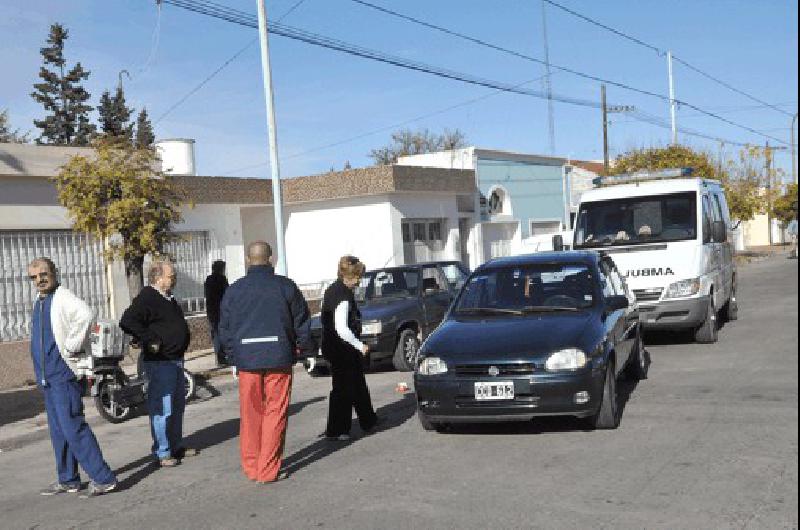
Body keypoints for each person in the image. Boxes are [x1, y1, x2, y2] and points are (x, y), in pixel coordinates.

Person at [218, 241, 312, 483]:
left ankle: (252, 467)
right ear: (271, 258)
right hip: (278, 356)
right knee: (275, 412)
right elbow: (301, 321)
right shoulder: (285, 286)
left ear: (249, 259)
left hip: (246, 359)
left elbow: (225, 328)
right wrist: (305, 350)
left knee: (250, 414)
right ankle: (268, 469)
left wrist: (230, 356)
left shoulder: (234, 290)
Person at [27, 257, 117, 498]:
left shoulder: (63, 297)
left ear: (54, 272)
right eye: (34, 277)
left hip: (63, 374)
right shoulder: (41, 300)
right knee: (58, 430)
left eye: (43, 274)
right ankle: (68, 479)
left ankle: (103, 478)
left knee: (73, 427)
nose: (39, 280)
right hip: (48, 378)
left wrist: (72, 344)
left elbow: (87, 314)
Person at [119, 259, 196, 468]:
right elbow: (127, 321)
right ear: (158, 277)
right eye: (171, 276)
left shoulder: (168, 297)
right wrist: (150, 339)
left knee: (178, 406)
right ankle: (162, 451)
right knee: (163, 408)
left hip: (175, 360)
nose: (174, 280)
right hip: (160, 362)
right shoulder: (148, 297)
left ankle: (175, 444)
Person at [321, 256, 381, 442]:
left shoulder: (332, 289)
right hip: (342, 348)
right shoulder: (343, 296)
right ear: (350, 276)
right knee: (343, 389)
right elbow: (341, 328)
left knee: (357, 384)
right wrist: (359, 345)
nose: (359, 282)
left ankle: (368, 420)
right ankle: (338, 430)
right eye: (358, 278)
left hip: (334, 346)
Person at [204, 260, 229, 367]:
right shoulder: (222, 279)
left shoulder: (209, 279)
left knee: (215, 333)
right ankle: (222, 357)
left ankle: (219, 357)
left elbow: (207, 294)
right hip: (220, 309)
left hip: (211, 310)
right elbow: (227, 294)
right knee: (221, 333)